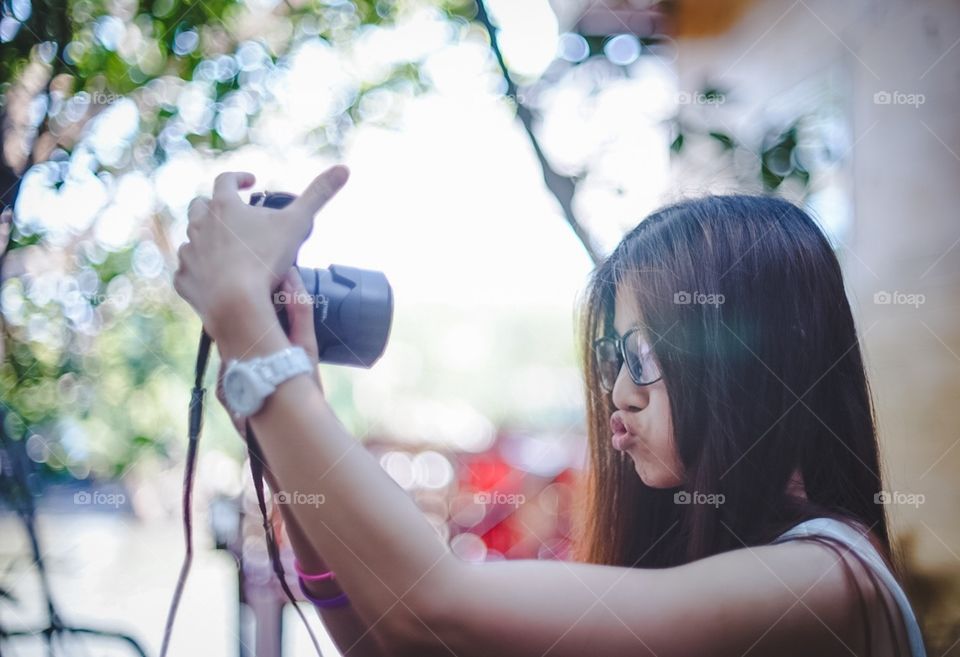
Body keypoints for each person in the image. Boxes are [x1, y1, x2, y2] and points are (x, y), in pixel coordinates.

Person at [175, 167, 926, 657]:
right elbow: (391, 643)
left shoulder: (827, 580)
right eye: (608, 362)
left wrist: (251, 334)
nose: (616, 394)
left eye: (640, 354)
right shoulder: (701, 565)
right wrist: (285, 420)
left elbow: (438, 606)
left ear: (749, 360)